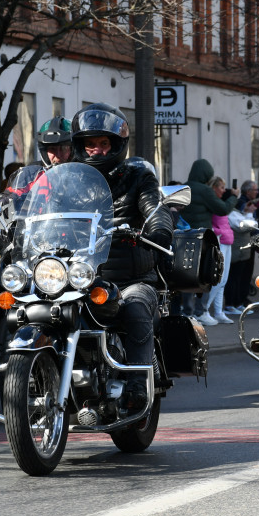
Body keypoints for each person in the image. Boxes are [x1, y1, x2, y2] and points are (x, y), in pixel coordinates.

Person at [70, 102, 174, 416]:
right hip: (78, 275)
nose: (97, 151)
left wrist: (157, 229)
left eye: (104, 144)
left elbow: (156, 209)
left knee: (136, 309)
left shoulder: (137, 177)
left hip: (129, 277)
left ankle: (136, 388)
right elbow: (43, 211)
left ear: (116, 145)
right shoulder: (70, 180)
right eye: (90, 144)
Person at [179, 159, 238, 325]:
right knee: (204, 276)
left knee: (186, 276)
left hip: (183, 238)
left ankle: (186, 312)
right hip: (202, 239)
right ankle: (200, 312)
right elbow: (222, 209)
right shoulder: (205, 190)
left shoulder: (184, 187)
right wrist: (233, 197)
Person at [224, 180, 259, 314]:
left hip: (241, 251)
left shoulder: (236, 212)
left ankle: (237, 303)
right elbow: (249, 225)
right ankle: (230, 304)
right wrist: (249, 213)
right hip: (236, 251)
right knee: (232, 279)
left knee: (239, 278)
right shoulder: (232, 213)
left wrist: (247, 213)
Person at [204, 176, 235, 324]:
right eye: (221, 187)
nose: (224, 190)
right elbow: (209, 221)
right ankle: (205, 309)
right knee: (219, 278)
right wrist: (217, 232)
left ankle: (218, 311)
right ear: (214, 188)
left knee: (224, 279)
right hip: (220, 241)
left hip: (226, 242)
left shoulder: (219, 203)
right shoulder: (212, 203)